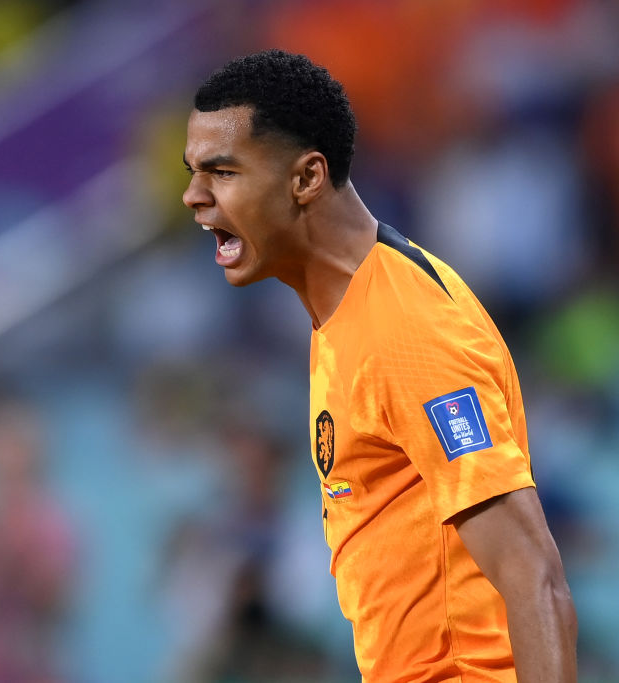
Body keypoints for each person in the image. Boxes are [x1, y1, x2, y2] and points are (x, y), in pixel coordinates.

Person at [182, 50, 578, 682]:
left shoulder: (409, 330)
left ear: (306, 178)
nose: (192, 196)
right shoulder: (340, 308)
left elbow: (536, 578)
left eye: (221, 172)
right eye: (193, 172)